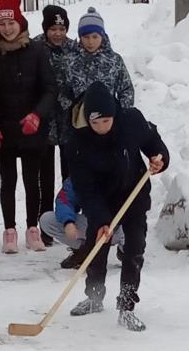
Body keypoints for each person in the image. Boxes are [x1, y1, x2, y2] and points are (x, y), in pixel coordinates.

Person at [67, 82, 169, 332]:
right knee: (96, 247)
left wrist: (159, 159)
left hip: (133, 196)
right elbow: (85, 188)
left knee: (134, 249)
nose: (100, 128)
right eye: (95, 123)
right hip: (101, 199)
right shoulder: (77, 141)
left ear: (114, 114)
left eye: (105, 121)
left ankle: (126, 306)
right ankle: (94, 296)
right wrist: (101, 219)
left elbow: (154, 143)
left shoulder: (132, 121)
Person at [0, 0, 56, 254]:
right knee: (7, 180)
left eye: (11, 23)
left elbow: (49, 89)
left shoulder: (37, 51)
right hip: (3, 130)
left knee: (32, 181)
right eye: (2, 24)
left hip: (31, 129)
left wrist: (37, 115)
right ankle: (9, 230)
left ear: (20, 24)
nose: (7, 29)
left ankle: (32, 228)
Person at [34, 4, 80, 242]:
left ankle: (69, 223)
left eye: (61, 28)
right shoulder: (35, 47)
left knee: (70, 176)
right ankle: (45, 227)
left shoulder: (75, 48)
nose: (58, 34)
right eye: (53, 28)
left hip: (71, 122)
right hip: (43, 121)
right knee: (45, 177)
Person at [59, 6, 135, 129]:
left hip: (107, 123)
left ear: (102, 36)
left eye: (95, 37)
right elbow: (62, 90)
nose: (90, 42)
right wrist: (72, 110)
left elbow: (126, 89)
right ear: (80, 37)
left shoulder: (114, 60)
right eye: (86, 37)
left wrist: (119, 113)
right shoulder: (69, 61)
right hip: (80, 125)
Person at [39, 177, 124, 269]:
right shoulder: (80, 173)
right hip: (91, 225)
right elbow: (65, 199)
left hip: (117, 227)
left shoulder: (120, 171)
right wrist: (68, 222)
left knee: (133, 225)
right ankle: (84, 249)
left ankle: (126, 251)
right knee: (47, 219)